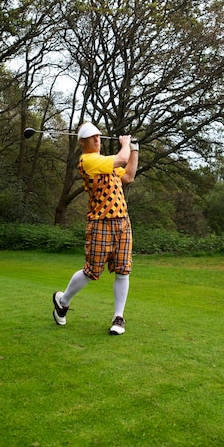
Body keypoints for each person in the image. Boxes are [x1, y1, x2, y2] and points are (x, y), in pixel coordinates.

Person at [52, 122, 139, 335]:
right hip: (100, 222)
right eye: (93, 137)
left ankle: (118, 318)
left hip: (122, 222)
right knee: (91, 272)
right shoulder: (88, 160)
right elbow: (120, 158)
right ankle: (62, 301)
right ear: (83, 142)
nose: (97, 140)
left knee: (123, 270)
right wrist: (126, 144)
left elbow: (128, 176)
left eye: (98, 136)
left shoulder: (105, 164)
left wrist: (134, 150)